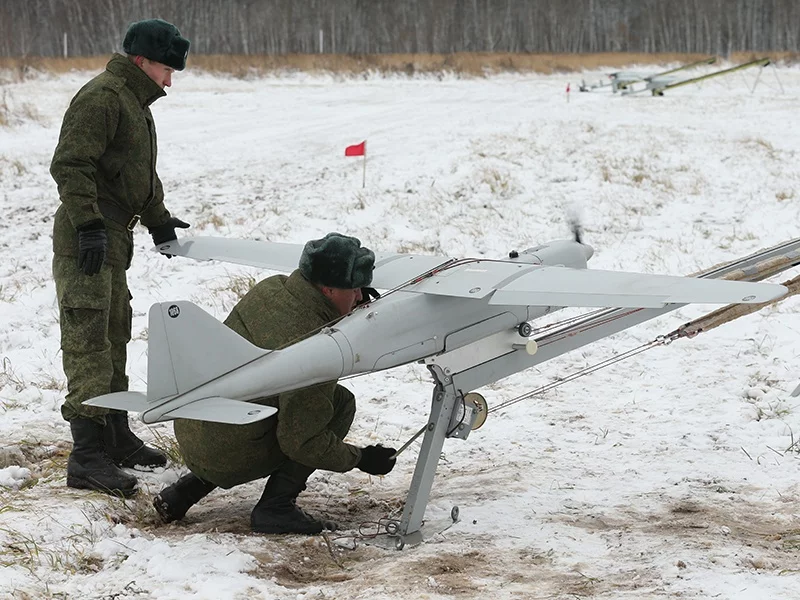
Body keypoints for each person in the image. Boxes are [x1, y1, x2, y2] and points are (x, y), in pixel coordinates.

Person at [153, 233, 398, 534]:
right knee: (340, 404)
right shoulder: (316, 342)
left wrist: (350, 304)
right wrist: (360, 458)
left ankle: (185, 491)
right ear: (329, 288)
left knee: (256, 399)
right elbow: (302, 441)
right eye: (355, 289)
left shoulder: (270, 289)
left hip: (194, 427)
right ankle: (276, 508)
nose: (361, 297)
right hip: (228, 449)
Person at [50, 19, 192, 497]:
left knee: (113, 334)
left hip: (113, 235)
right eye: (166, 69)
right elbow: (70, 164)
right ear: (141, 62)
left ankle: (115, 436)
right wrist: (88, 224)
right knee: (88, 338)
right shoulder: (104, 97)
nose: (170, 80)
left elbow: (134, 176)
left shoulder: (133, 102)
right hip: (88, 236)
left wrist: (158, 219)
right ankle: (86, 457)